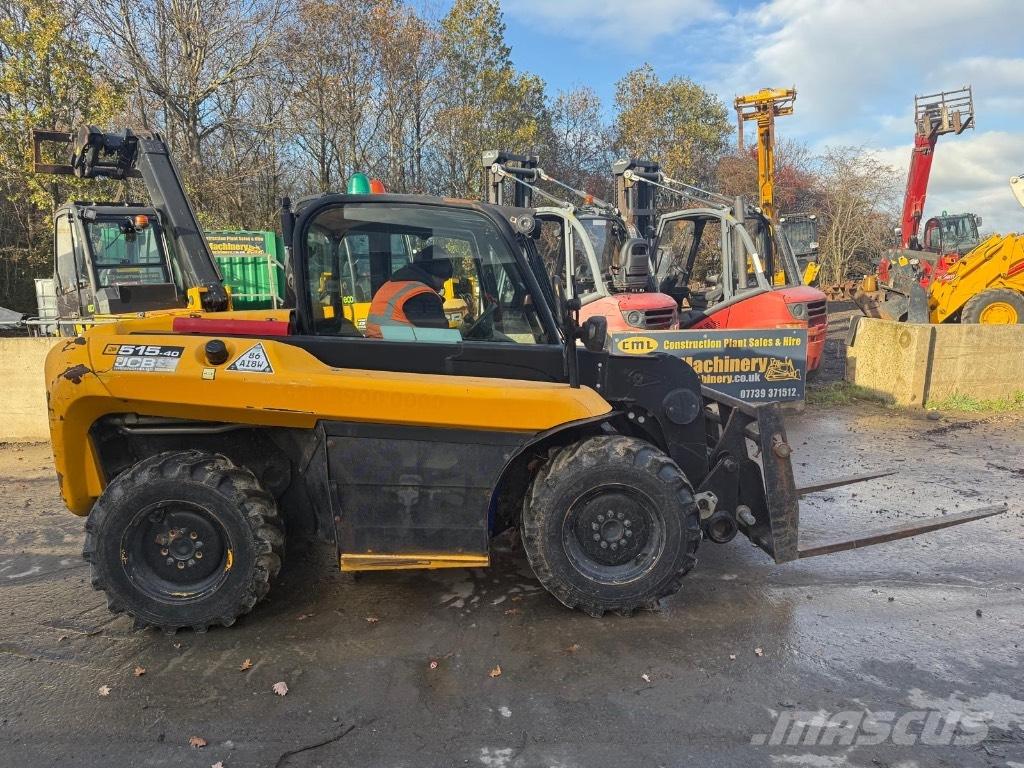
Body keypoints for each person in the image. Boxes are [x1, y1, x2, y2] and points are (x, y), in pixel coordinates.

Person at [364, 245, 453, 338]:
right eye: (444, 280)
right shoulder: (423, 296)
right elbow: (441, 337)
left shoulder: (391, 285)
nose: (443, 286)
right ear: (435, 274)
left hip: (377, 346)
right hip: (398, 349)